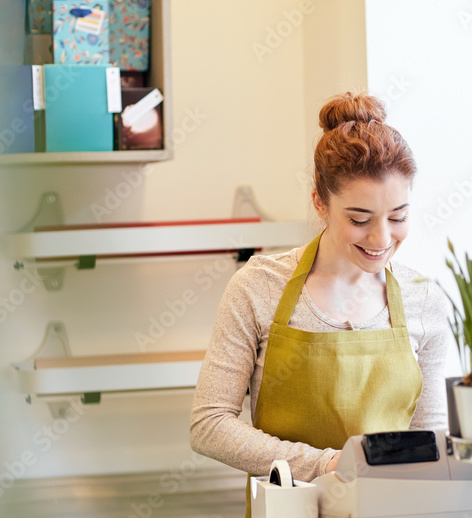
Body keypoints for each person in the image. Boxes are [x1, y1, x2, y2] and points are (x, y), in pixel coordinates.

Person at [190, 92, 450, 484]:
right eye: (359, 220)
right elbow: (209, 425)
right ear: (320, 203)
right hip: (289, 517)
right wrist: (328, 465)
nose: (382, 238)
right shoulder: (258, 287)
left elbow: (430, 438)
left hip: (392, 512)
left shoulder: (424, 299)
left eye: (397, 217)